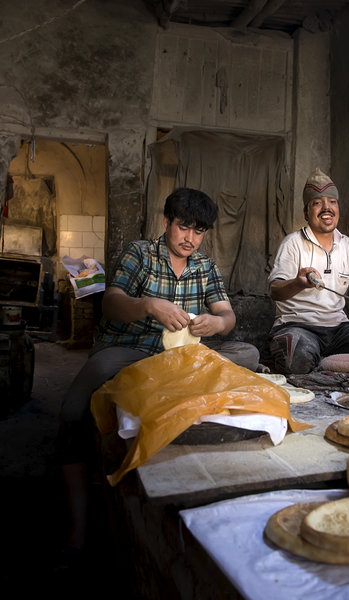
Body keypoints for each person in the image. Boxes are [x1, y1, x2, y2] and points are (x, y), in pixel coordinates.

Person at [56, 187, 259, 562]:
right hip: (128, 349)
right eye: (184, 228)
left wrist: (216, 323)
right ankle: (79, 526)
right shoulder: (140, 254)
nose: (190, 239)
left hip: (181, 354)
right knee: (73, 410)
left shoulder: (206, 266)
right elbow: (111, 303)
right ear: (166, 222)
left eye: (199, 232)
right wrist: (149, 305)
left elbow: (228, 316)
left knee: (249, 354)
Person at [267, 168, 349, 374]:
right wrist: (298, 283)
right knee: (299, 354)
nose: (326, 208)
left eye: (332, 202)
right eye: (317, 203)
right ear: (306, 212)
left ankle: (325, 361)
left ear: (338, 208)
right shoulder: (293, 243)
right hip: (299, 325)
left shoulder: (346, 245)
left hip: (338, 330)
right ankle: (314, 357)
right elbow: (275, 290)